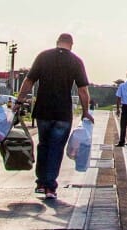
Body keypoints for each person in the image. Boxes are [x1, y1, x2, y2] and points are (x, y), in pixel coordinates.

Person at [15, 33, 93, 200]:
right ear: (71, 44)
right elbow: (83, 90)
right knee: (56, 148)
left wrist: (19, 101)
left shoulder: (43, 56)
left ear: (57, 42)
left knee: (43, 145)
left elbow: (29, 81)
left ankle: (41, 183)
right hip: (63, 113)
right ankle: (50, 186)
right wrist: (85, 111)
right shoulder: (76, 61)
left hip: (42, 111)